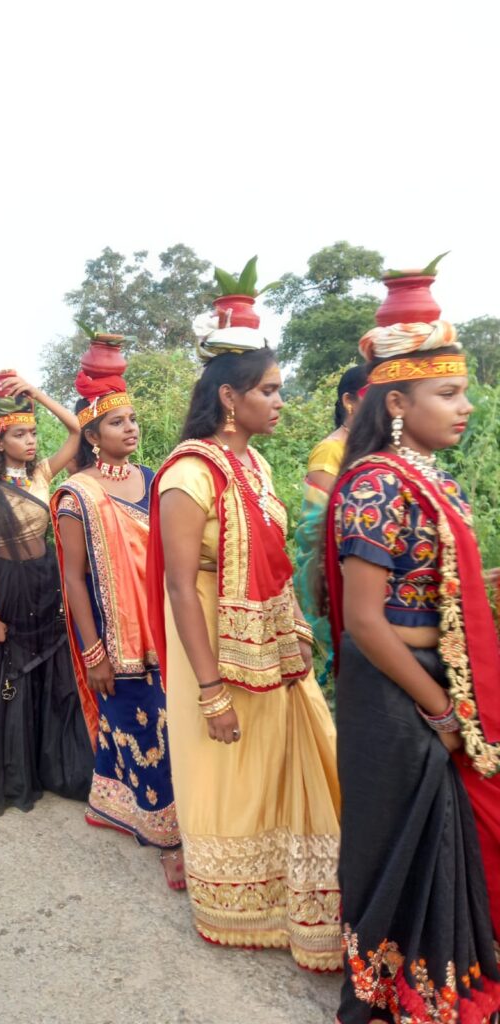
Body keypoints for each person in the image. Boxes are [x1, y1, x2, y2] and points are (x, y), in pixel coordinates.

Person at [146, 315, 342, 963]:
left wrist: (294, 632)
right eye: (269, 390)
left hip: (266, 638)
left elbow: (272, 558)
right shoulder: (188, 473)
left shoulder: (254, 464)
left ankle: (293, 892)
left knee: (277, 759)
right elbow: (180, 587)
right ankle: (235, 902)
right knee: (228, 771)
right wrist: (211, 692)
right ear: (230, 397)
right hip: (209, 640)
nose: (280, 401)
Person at [325, 301, 500, 1020]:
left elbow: (432, 585)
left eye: (464, 392)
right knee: (399, 834)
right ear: (397, 404)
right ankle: (386, 983)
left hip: (441, 677)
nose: (465, 406)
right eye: (448, 393)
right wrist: (441, 711)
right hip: (396, 691)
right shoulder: (374, 484)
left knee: (452, 830)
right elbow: (367, 620)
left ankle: (448, 968)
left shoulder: (435, 477)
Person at [51, 352, 183, 889]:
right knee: (143, 727)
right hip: (116, 636)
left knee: (170, 725)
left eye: (132, 419)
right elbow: (73, 578)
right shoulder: (77, 495)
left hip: (166, 626)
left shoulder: (154, 480)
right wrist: (94, 653)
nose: (130, 429)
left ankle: (111, 802)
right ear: (91, 435)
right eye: (116, 422)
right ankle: (169, 841)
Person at [0, 373, 93, 816]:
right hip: (7, 590)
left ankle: (51, 766)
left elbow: (78, 430)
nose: (30, 441)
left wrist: (39, 395)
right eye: (19, 434)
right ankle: (13, 774)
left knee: (53, 669)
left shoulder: (42, 474)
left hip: (47, 582)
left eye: (32, 433)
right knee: (10, 676)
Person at [293, 366, 367, 682]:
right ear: (349, 401)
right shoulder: (331, 450)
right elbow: (319, 527)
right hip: (344, 572)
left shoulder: (380, 445)